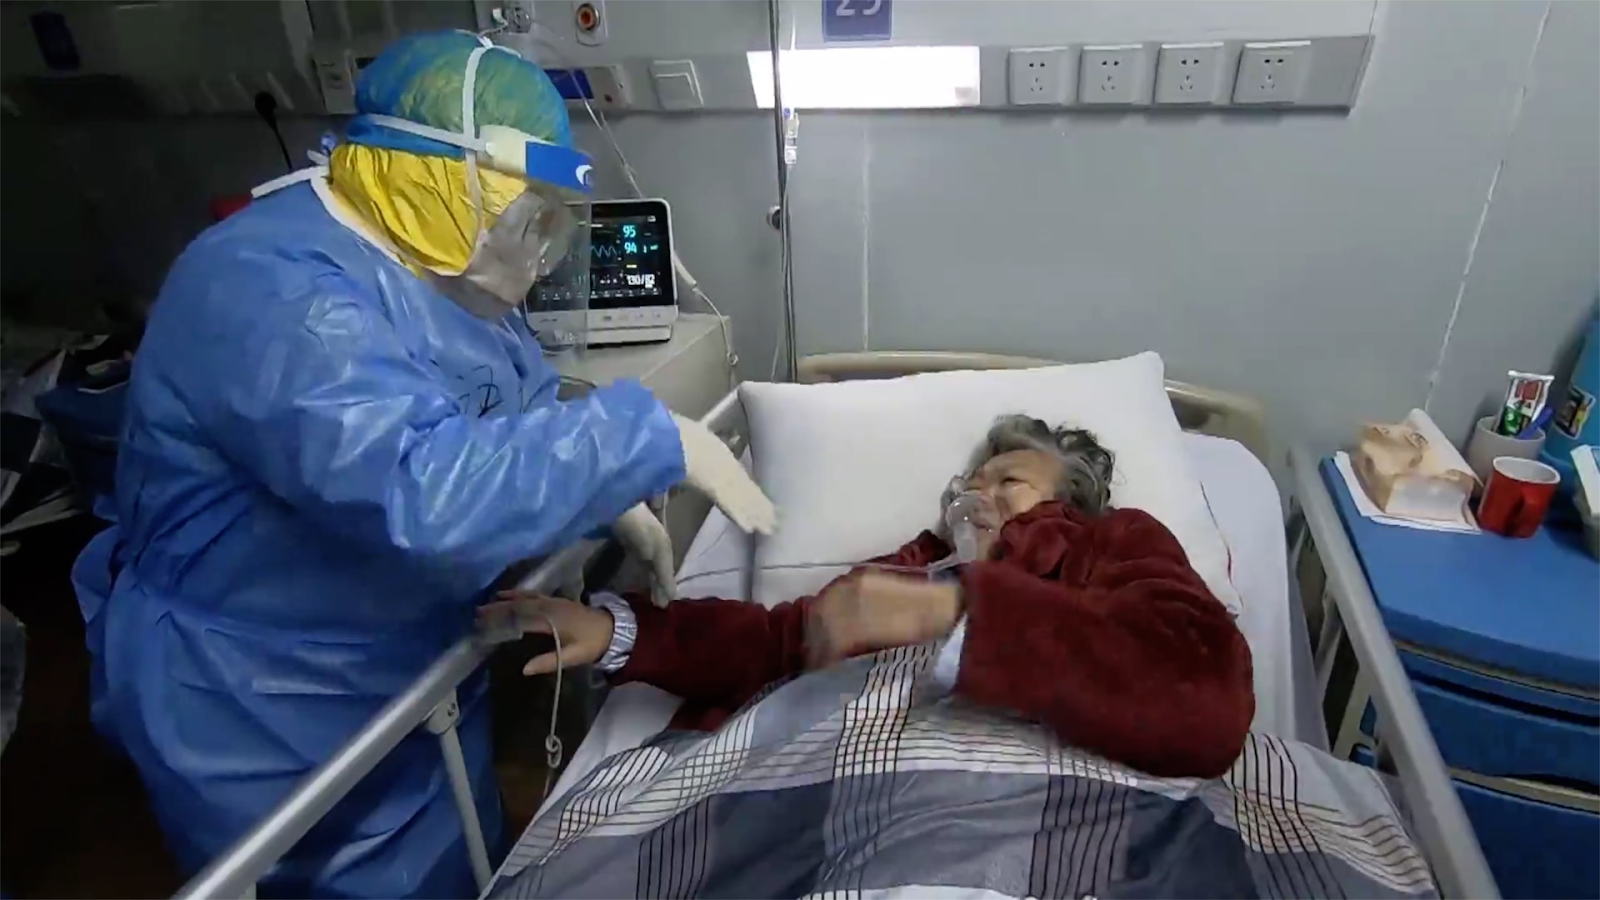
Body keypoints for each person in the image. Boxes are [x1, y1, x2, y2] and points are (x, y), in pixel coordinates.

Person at [69, 31, 774, 899]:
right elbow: (417, 490)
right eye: (526, 211)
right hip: (259, 699)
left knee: (449, 862)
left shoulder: (446, 268)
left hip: (409, 664)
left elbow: (507, 412)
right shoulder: (271, 290)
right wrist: (639, 442)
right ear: (437, 173)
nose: (538, 241)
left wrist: (603, 486)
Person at [488, 415, 1253, 779]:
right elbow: (774, 643)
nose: (976, 494)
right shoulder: (907, 570)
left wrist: (959, 613)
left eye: (1009, 482)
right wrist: (620, 628)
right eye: (970, 482)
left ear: (1075, 505)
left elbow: (1202, 695)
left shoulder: (1112, 544)